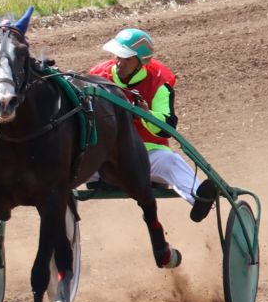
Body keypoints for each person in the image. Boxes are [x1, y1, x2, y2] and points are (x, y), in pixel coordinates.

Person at [90, 27, 217, 222]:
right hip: (104, 158)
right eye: (118, 56)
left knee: (171, 161)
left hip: (145, 156)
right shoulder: (98, 76)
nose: (119, 62)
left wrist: (146, 114)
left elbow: (166, 127)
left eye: (126, 58)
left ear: (141, 62)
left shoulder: (158, 80)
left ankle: (199, 198)